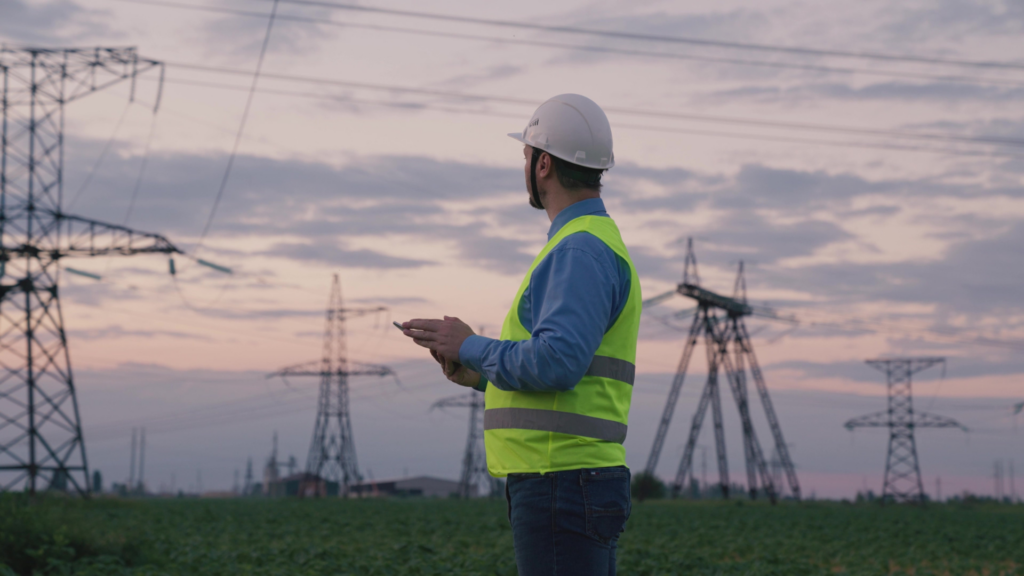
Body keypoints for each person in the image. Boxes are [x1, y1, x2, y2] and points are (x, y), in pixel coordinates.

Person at [400, 94, 641, 576]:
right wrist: (479, 376)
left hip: (562, 483)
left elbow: (558, 362)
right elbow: (570, 371)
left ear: (544, 164)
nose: (525, 165)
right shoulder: (588, 244)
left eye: (527, 155)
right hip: (572, 481)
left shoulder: (578, 251)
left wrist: (468, 344)